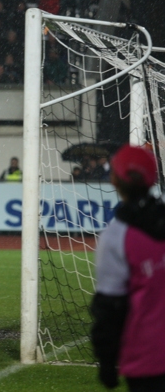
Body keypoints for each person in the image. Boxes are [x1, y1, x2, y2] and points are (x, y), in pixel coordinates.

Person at [91, 144, 165, 390]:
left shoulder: (116, 237)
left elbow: (109, 308)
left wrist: (107, 362)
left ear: (115, 180)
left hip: (148, 357)